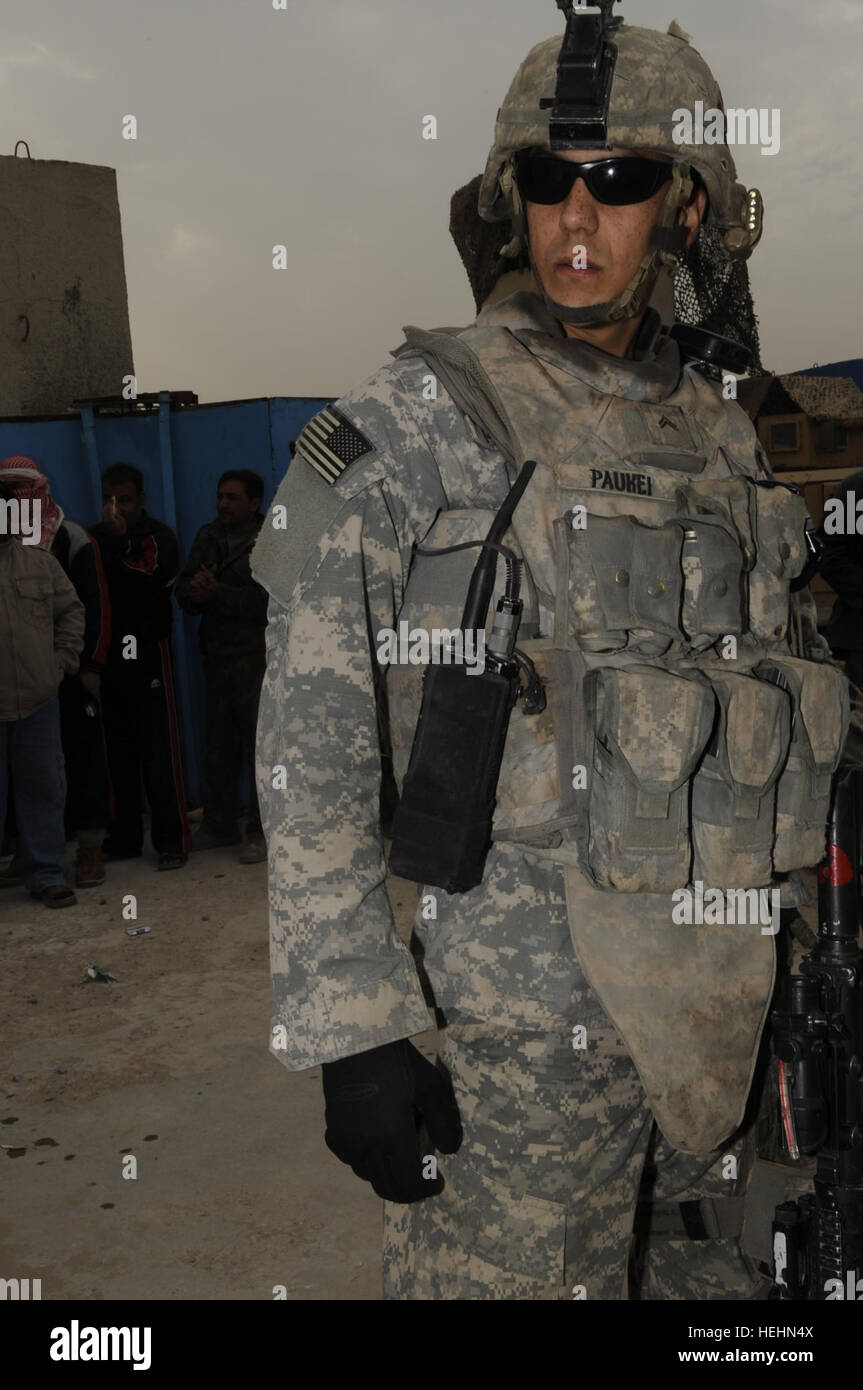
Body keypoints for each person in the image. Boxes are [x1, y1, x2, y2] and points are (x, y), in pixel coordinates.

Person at [252, 8, 846, 1300]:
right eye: (545, 178)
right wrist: (351, 1016)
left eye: (619, 180)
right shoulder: (427, 414)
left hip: (717, 1025)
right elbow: (306, 714)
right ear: (505, 199)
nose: (576, 216)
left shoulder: (723, 435)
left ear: (687, 209)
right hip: (520, 1044)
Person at [0, 455, 112, 890]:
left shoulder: (58, 546)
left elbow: (81, 609)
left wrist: (72, 664)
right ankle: (26, 858)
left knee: (55, 779)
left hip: (47, 691)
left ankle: (55, 868)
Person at [89, 463, 190, 871]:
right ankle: (125, 838)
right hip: (109, 658)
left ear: (141, 499)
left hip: (148, 652)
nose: (117, 508)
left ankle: (171, 842)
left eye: (125, 500)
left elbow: (147, 578)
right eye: (109, 499)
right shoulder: (94, 537)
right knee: (117, 754)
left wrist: (116, 545)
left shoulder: (158, 537)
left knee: (159, 751)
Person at [175, 470, 269, 865]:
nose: (223, 504)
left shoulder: (271, 538)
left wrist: (220, 593)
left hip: (256, 658)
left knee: (259, 749)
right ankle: (219, 823)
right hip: (216, 657)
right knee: (219, 746)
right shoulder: (208, 536)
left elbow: (274, 602)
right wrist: (193, 592)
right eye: (220, 496)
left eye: (232, 498)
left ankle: (262, 831)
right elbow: (183, 587)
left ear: (253, 503)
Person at [0, 480, 85, 907]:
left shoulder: (40, 563)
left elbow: (71, 612)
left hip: (37, 700)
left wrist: (60, 665)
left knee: (44, 787)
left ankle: (46, 873)